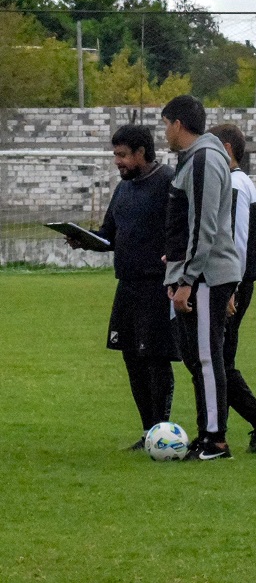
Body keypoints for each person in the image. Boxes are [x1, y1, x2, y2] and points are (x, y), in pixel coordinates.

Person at [67, 124, 179, 450]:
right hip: (126, 287)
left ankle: (162, 433)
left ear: (141, 152)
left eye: (122, 155)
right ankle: (148, 432)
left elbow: (182, 230)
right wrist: (86, 241)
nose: (117, 161)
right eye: (115, 154)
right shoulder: (124, 189)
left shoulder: (168, 183)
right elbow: (109, 235)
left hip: (157, 287)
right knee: (131, 358)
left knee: (155, 359)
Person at [161, 95, 241, 461]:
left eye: (165, 125)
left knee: (208, 358)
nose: (164, 133)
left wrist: (187, 279)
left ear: (178, 124)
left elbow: (203, 226)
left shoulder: (205, 158)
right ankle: (206, 433)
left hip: (206, 276)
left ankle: (215, 440)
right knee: (197, 358)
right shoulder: (194, 159)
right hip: (197, 275)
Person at [208, 124, 256, 454]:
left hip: (234, 285)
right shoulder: (239, 183)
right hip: (235, 283)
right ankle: (218, 432)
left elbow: (237, 241)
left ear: (226, 149)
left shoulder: (236, 184)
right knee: (219, 360)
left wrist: (230, 288)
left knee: (221, 362)